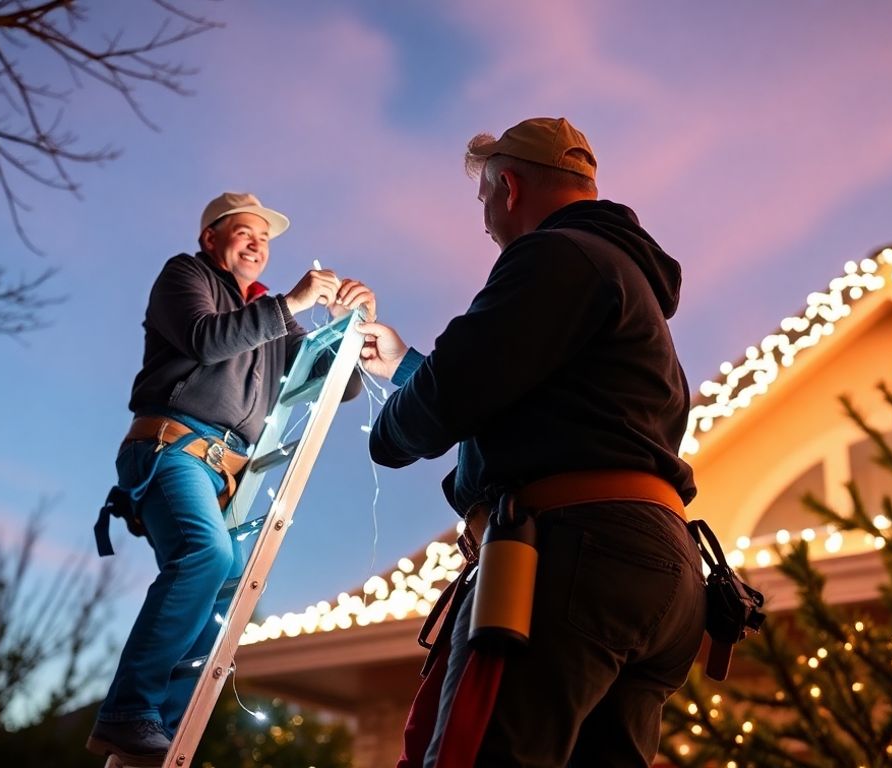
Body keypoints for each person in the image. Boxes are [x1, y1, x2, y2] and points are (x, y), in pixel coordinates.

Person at [358, 118, 706, 767]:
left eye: (483, 200)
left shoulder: (553, 256)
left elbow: (448, 398)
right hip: (662, 568)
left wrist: (392, 425)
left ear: (509, 188)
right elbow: (533, 393)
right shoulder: (624, 281)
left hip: (569, 557)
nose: (486, 221)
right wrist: (410, 367)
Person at [87, 192, 375, 766]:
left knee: (230, 584)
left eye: (264, 238)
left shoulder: (272, 313)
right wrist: (291, 302)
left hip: (226, 473)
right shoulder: (184, 276)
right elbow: (205, 339)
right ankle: (128, 712)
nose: (257, 243)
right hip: (171, 448)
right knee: (207, 554)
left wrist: (350, 331)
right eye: (243, 231)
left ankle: (161, 729)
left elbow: (333, 384)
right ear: (210, 239)